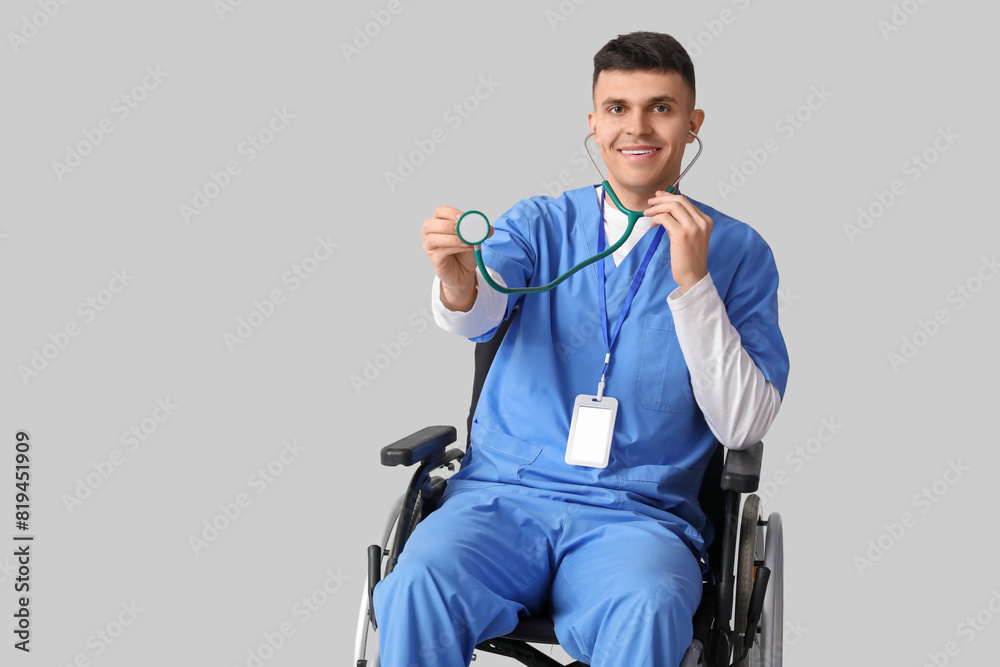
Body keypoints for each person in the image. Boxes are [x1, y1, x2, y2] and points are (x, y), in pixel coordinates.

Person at [373, 31, 790, 667]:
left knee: (648, 607)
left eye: (661, 107)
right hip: (500, 499)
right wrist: (458, 280)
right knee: (417, 584)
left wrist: (694, 285)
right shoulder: (540, 224)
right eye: (618, 108)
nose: (637, 127)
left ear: (693, 122)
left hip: (638, 518)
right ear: (594, 123)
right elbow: (483, 306)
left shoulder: (738, 252)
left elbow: (743, 423)